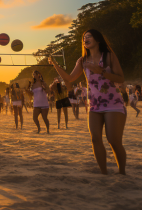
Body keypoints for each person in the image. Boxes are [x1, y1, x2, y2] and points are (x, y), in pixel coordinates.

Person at [49, 29, 127, 175]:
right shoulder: (82, 61)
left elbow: (121, 79)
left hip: (113, 103)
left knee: (113, 140)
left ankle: (122, 173)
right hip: (94, 105)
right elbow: (70, 78)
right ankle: (104, 173)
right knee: (95, 139)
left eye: (89, 36)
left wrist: (101, 71)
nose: (85, 39)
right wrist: (55, 64)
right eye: (84, 37)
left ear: (98, 40)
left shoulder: (108, 56)